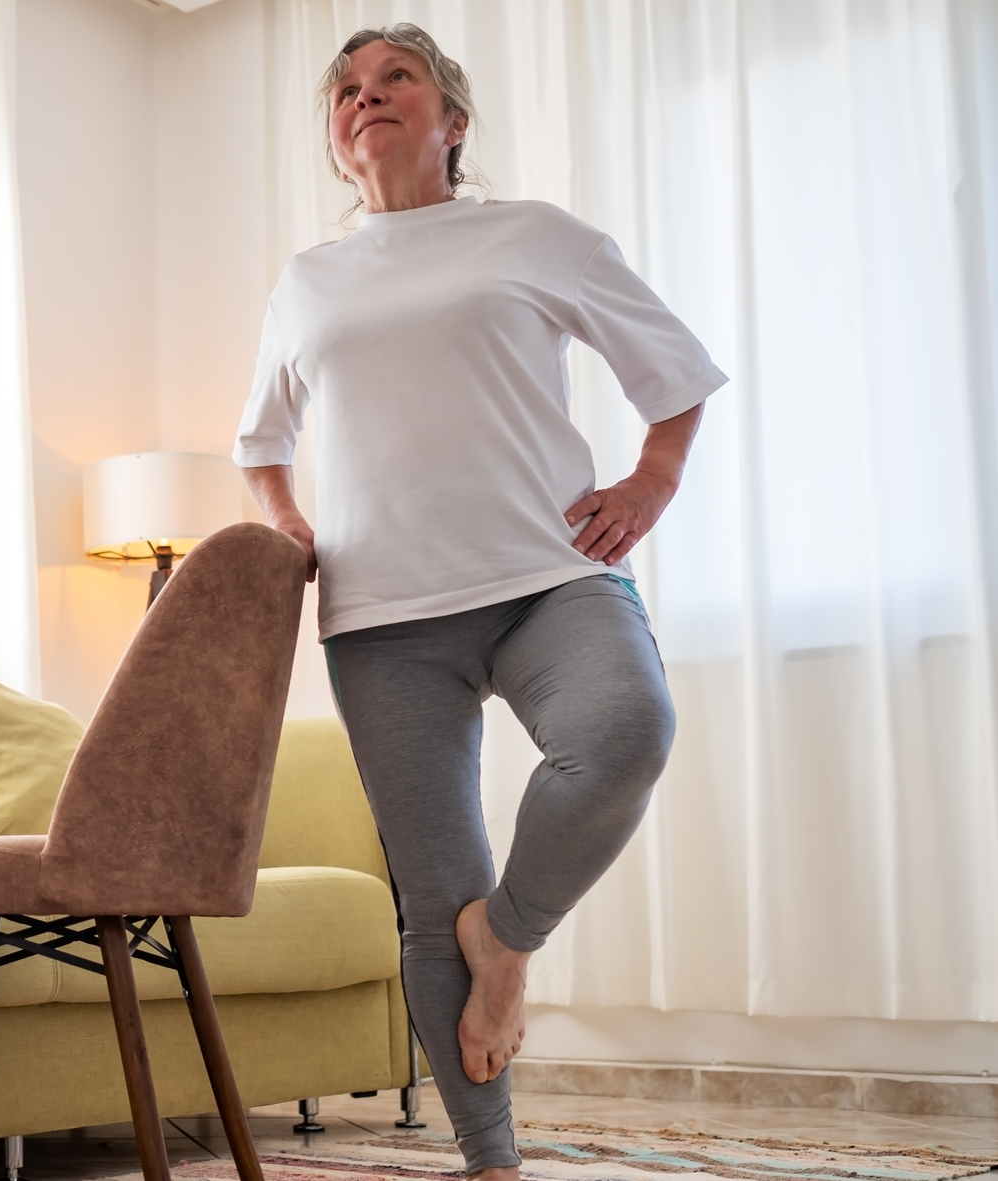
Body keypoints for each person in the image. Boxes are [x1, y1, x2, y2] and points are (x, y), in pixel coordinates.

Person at [233, 23, 724, 1181]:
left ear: (453, 120)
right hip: (384, 619)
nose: (367, 97)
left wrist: (650, 482)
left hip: (551, 574)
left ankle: (504, 939)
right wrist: (284, 518)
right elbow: (261, 439)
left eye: (395, 77)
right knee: (429, 893)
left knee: (625, 731)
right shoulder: (309, 281)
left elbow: (676, 369)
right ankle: (491, 1161)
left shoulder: (536, 235)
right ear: (338, 139)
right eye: (346, 90)